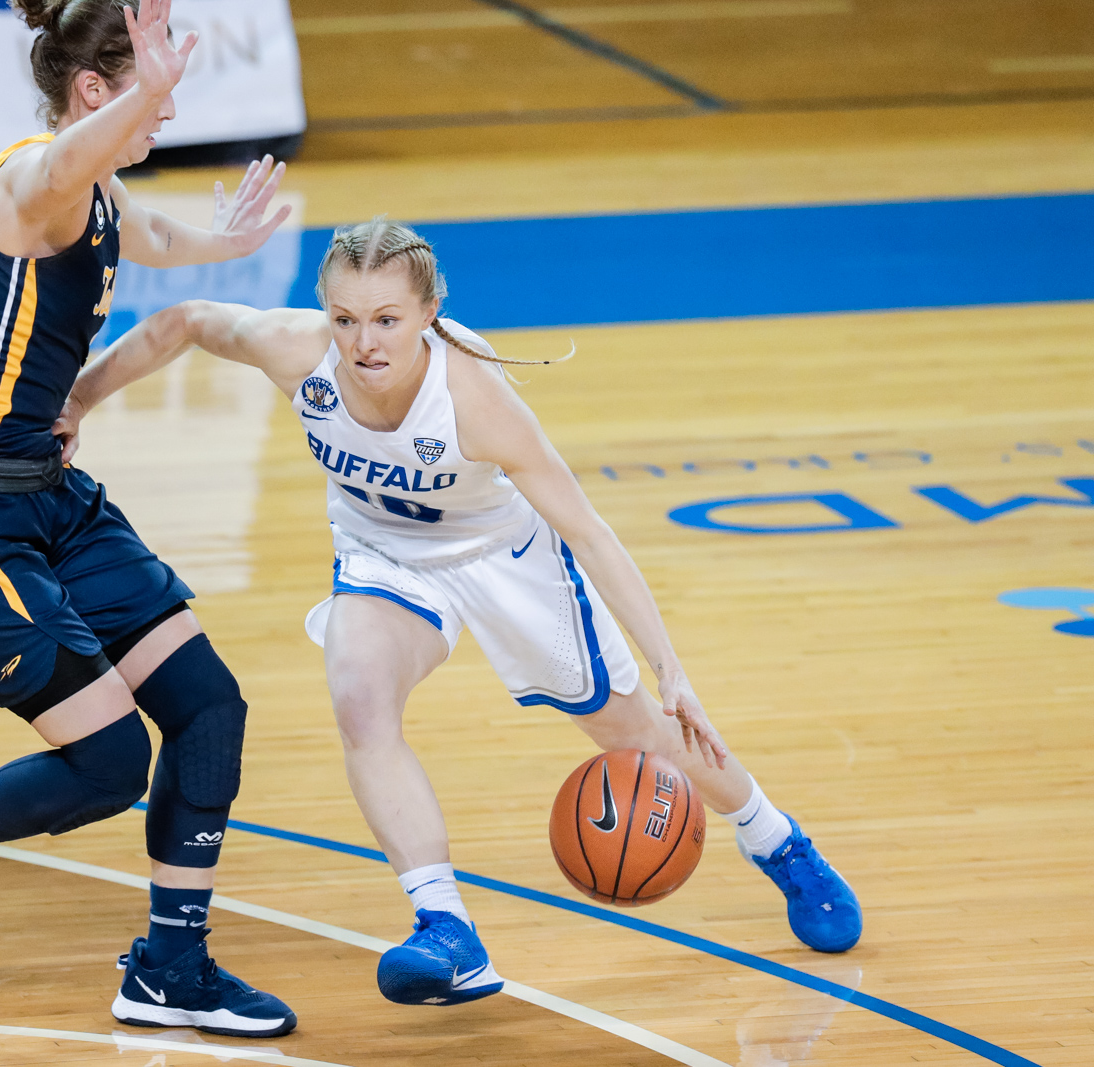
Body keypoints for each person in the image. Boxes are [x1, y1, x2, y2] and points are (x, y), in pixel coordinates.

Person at [53, 218, 863, 1008]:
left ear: (428, 313)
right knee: (360, 700)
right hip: (384, 557)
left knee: (640, 737)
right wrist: (80, 400)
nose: (363, 341)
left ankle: (777, 840)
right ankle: (446, 928)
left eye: (386, 320)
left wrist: (673, 668)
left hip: (502, 559)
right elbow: (185, 321)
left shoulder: (475, 398)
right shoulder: (299, 351)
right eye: (345, 318)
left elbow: (589, 531)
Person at [0, 0, 297, 1038]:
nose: (160, 125)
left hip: (47, 497)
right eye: (146, 108)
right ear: (94, 93)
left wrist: (221, 243)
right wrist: (148, 88)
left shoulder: (96, 198)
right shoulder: (32, 184)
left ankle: (171, 967)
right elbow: (62, 171)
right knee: (105, 763)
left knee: (209, 707)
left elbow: (155, 234)